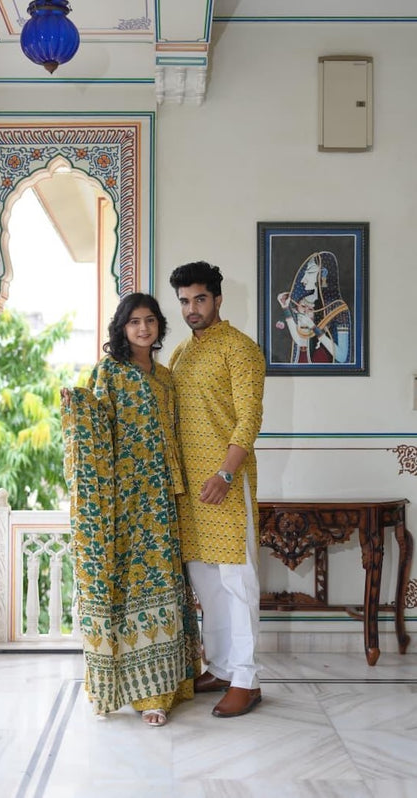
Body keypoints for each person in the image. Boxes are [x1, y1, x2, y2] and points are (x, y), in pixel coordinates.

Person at [61, 292, 200, 727]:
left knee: (165, 582)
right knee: (130, 586)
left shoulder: (165, 378)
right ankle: (131, 691)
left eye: (151, 321)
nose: (143, 328)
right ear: (122, 328)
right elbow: (98, 429)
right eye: (134, 321)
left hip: (163, 497)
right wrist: (77, 407)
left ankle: (163, 689)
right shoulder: (111, 373)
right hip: (125, 498)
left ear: (159, 327)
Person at [169, 261, 265, 718]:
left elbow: (249, 420)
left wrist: (225, 475)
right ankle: (222, 666)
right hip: (190, 490)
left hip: (225, 486)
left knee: (236, 581)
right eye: (185, 301)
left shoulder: (241, 350)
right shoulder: (181, 354)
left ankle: (246, 679)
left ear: (218, 298)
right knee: (206, 582)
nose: (192, 309)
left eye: (200, 299)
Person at [276, 251, 351, 364]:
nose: (303, 280)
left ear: (323, 274)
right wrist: (286, 308)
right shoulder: (307, 301)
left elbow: (342, 357)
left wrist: (314, 328)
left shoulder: (339, 310)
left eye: (310, 273)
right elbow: (301, 341)